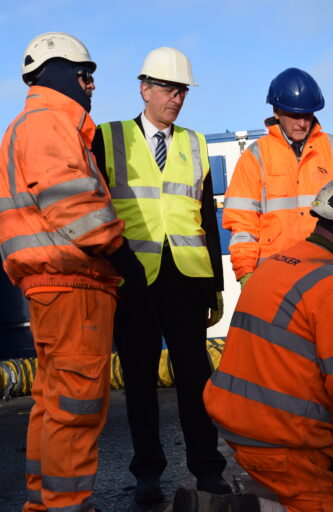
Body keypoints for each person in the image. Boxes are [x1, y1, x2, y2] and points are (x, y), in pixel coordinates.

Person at [173, 176, 333, 512]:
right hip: (282, 436)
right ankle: (218, 509)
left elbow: (302, 344)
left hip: (238, 418)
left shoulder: (278, 264)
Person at [0, 32, 147, 512]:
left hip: (50, 285)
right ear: (59, 74)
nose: (91, 86)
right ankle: (67, 504)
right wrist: (120, 253)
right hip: (73, 282)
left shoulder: (31, 124)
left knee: (53, 403)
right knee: (76, 405)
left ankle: (46, 503)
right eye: (85, 76)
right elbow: (71, 200)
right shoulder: (50, 123)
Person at [222, 67, 333, 481]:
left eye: (308, 114)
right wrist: (246, 273)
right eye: (294, 114)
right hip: (279, 285)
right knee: (289, 373)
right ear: (276, 111)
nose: (301, 122)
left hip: (328, 279)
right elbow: (242, 223)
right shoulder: (257, 156)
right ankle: (292, 451)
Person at [91, 47, 230, 508]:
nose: (177, 98)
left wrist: (215, 284)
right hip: (132, 276)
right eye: (169, 89)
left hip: (187, 276)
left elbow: (206, 217)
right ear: (144, 89)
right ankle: (147, 472)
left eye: (182, 90)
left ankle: (208, 469)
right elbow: (94, 208)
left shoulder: (195, 143)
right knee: (139, 379)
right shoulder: (108, 137)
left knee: (195, 377)